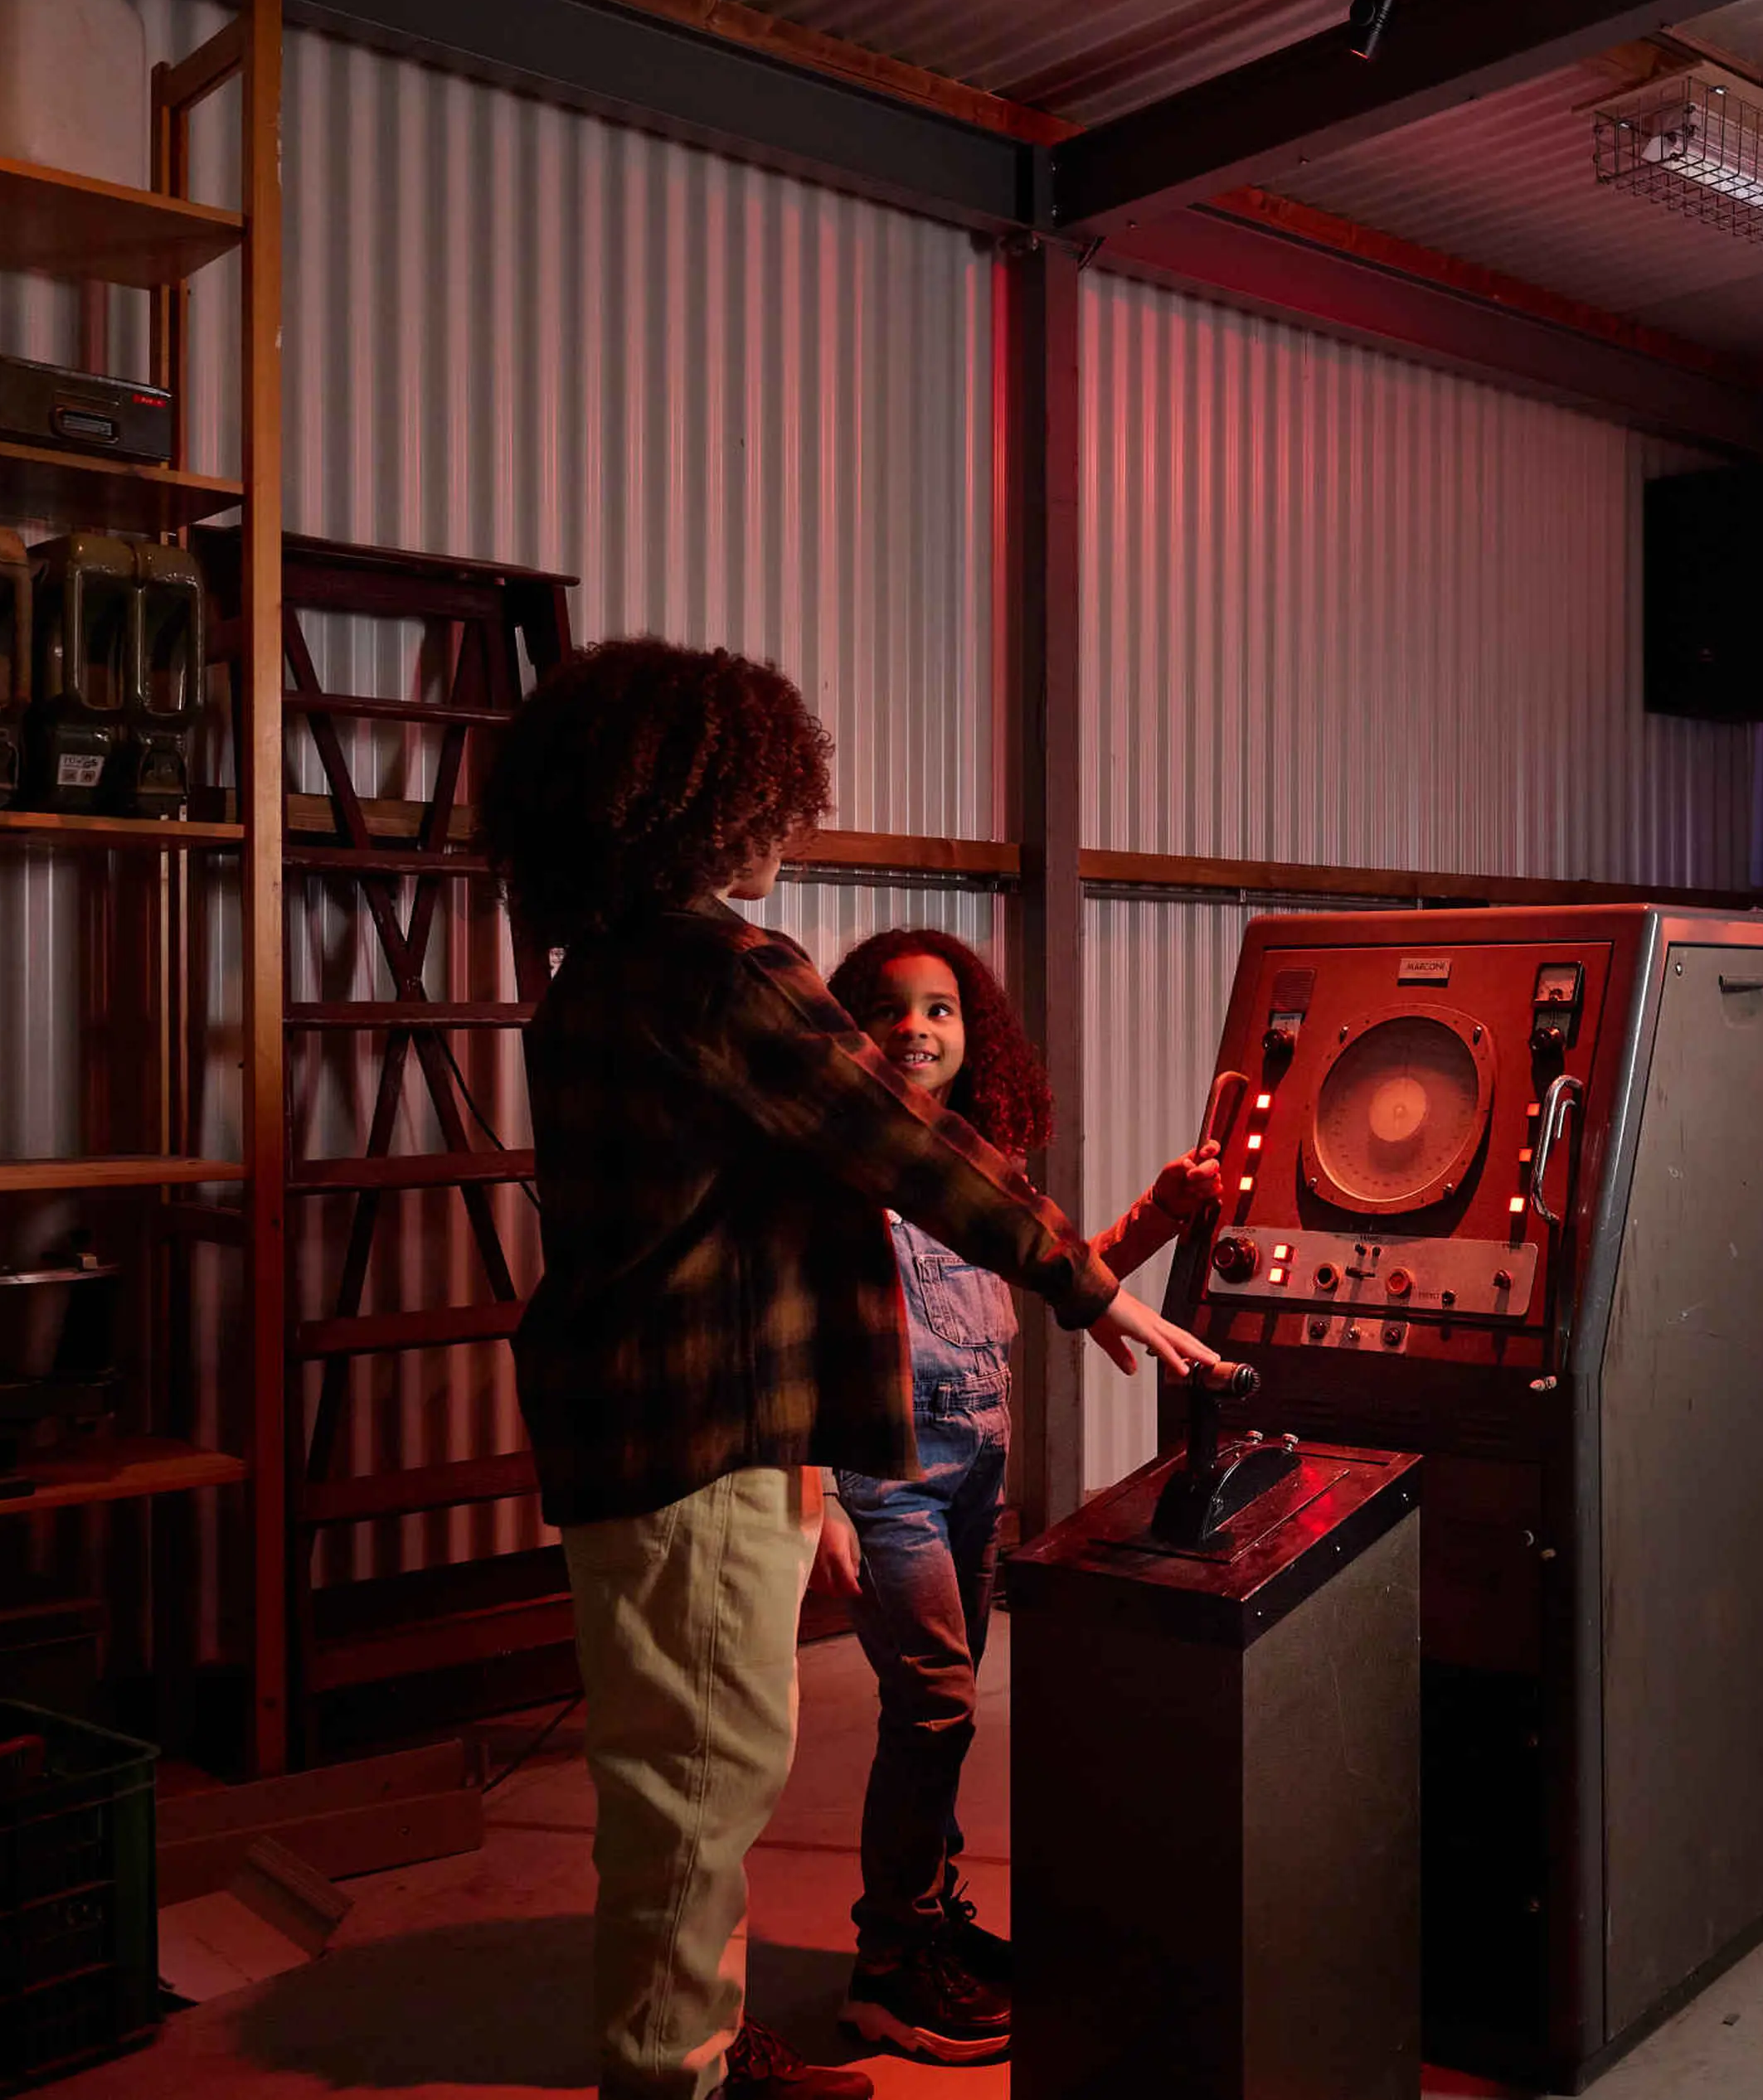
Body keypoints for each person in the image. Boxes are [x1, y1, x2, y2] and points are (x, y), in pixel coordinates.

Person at [483, 639, 1218, 2100]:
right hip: (699, 1436)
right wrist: (1089, 1289)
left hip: (639, 1429)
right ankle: (676, 2073)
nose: (785, 826)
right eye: (767, 797)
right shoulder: (720, 968)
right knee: (703, 1773)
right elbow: (905, 1140)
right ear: (689, 800)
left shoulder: (597, 975)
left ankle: (696, 2034)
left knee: (688, 1760)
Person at [812, 930, 1221, 2067]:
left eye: (940, 1009)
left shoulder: (978, 1163)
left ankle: (929, 1919)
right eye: (890, 1009)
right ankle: (887, 1970)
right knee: (935, 1700)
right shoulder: (837, 1168)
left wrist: (1158, 1209)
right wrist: (817, 1498)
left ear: (973, 1035)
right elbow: (789, 1329)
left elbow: (1065, 1268)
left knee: (941, 1709)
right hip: (883, 1472)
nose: (915, 1028)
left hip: (976, 1474)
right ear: (850, 1029)